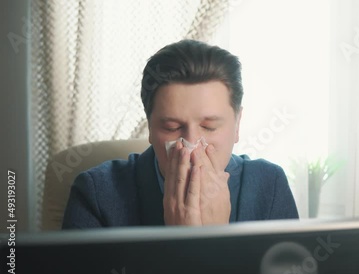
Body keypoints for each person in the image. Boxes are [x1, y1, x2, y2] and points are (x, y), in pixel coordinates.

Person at [62, 39, 298, 228]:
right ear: (151, 129)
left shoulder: (270, 185)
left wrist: (214, 243)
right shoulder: (96, 193)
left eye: (209, 127)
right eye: (172, 128)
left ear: (237, 125)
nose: (192, 144)